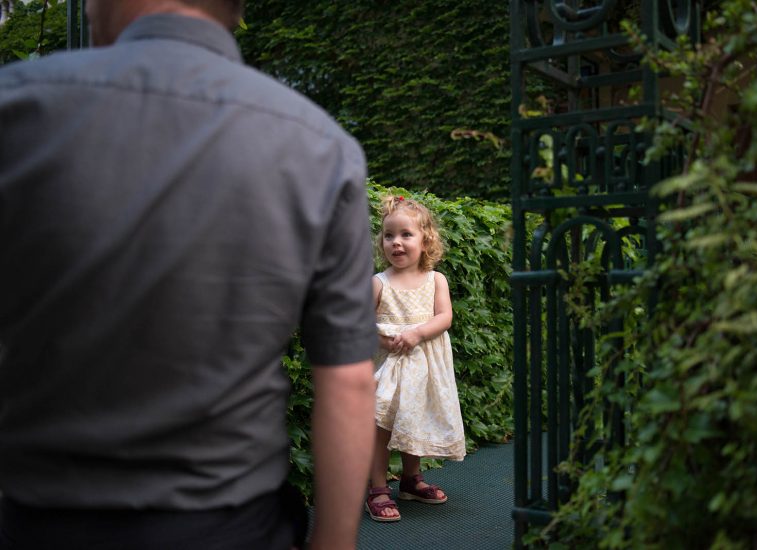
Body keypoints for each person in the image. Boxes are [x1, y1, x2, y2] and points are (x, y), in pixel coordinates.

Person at [0, 1, 377, 549]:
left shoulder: (17, 104)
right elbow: (347, 379)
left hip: (36, 523)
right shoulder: (322, 147)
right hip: (232, 525)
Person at [365, 195, 466, 522]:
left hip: (423, 368)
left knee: (414, 421)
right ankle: (378, 488)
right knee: (380, 426)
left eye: (406, 234)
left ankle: (411, 480)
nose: (396, 242)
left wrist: (417, 333)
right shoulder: (378, 283)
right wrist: (381, 338)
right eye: (389, 235)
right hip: (387, 368)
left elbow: (445, 317)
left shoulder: (436, 280)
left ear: (426, 241)